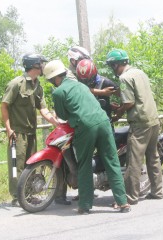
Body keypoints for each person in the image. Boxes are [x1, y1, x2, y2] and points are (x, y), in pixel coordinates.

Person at [43, 59, 130, 214]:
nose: (52, 83)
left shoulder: (58, 92)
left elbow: (62, 115)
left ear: (54, 79)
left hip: (85, 126)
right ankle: (123, 202)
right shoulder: (81, 85)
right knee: (112, 162)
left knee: (84, 165)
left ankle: (85, 205)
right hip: (104, 122)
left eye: (51, 81)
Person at [1, 53, 60, 206]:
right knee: (17, 165)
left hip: (31, 132)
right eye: (41, 63)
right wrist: (8, 129)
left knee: (32, 165)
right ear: (34, 65)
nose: (43, 66)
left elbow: (43, 109)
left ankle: (29, 195)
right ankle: (17, 197)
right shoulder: (16, 84)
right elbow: (4, 106)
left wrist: (56, 123)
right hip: (18, 133)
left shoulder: (37, 86)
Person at [106, 49, 163, 205]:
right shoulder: (140, 73)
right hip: (153, 120)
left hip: (140, 123)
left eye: (112, 65)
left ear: (116, 64)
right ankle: (157, 191)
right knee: (153, 157)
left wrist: (118, 113)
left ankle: (130, 197)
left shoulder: (124, 78)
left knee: (134, 161)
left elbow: (129, 102)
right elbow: (136, 94)